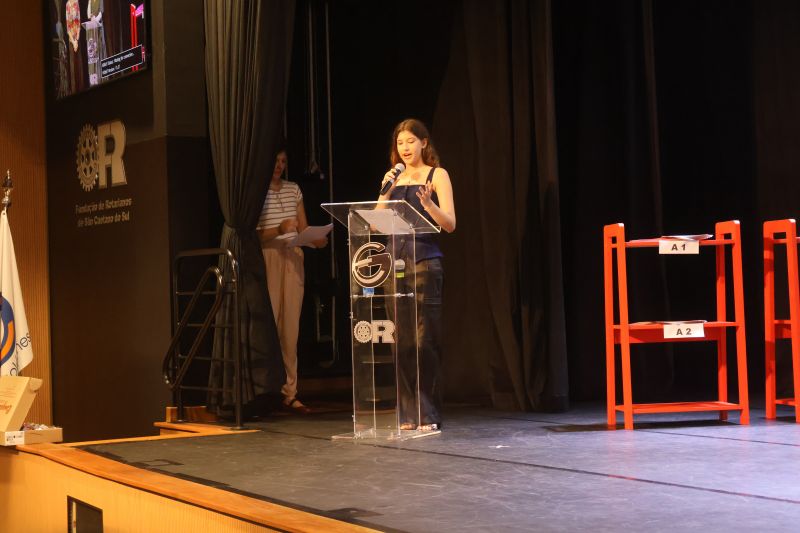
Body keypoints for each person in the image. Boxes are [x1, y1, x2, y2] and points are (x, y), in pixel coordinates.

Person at [378, 119, 456, 431]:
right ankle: (408, 413)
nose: (405, 148)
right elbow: (376, 224)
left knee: (425, 341)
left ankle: (428, 413)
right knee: (402, 341)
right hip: (395, 264)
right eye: (400, 143)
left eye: (411, 141)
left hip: (425, 261)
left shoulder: (438, 175)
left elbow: (450, 223)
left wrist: (428, 204)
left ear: (424, 143)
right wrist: (385, 193)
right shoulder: (393, 178)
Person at [258, 149, 327, 414]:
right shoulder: (257, 191)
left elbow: (302, 227)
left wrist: (316, 239)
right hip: (270, 255)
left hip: (293, 255)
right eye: (275, 160)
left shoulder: (293, 189)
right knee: (271, 324)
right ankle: (266, 391)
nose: (279, 165)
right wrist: (278, 229)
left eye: (283, 161)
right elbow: (253, 234)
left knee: (291, 328)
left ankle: (290, 392)